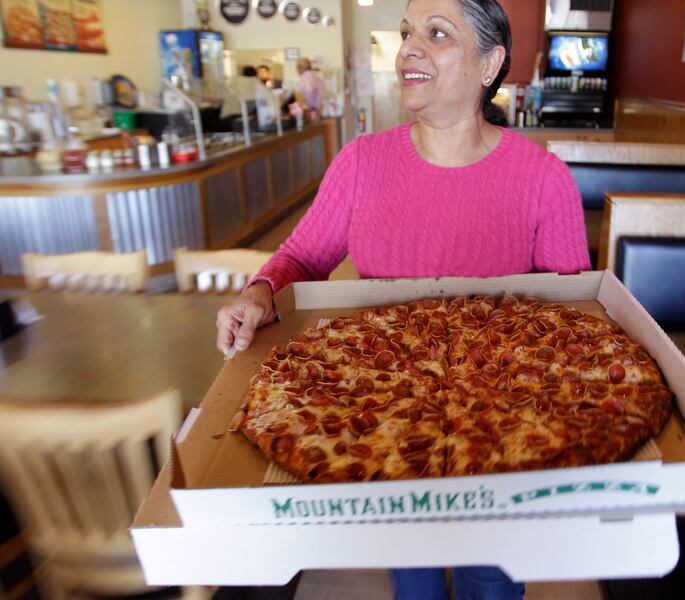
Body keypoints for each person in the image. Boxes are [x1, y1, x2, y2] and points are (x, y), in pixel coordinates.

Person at [216, 0, 589, 597]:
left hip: (500, 434)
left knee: (489, 579)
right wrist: (259, 293)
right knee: (412, 574)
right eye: (407, 32)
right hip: (388, 423)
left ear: (490, 63)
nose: (409, 48)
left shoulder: (543, 178)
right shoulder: (362, 162)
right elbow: (301, 259)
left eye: (437, 34)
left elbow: (574, 318)